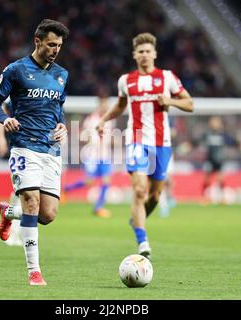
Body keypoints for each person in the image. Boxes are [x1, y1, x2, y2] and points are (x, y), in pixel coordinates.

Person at [96, 33, 194, 260]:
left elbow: (190, 103)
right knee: (140, 190)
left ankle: (136, 220)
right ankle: (142, 241)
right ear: (134, 55)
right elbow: (120, 105)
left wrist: (170, 101)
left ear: (155, 54)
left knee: (155, 195)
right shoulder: (126, 81)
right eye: (140, 51)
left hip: (162, 143)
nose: (144, 55)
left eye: (148, 51)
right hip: (136, 140)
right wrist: (104, 120)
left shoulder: (167, 78)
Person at [0, 19, 69, 286]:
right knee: (31, 202)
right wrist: (4, 119)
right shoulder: (16, 70)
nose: (55, 50)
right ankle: (34, 271)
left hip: (51, 150)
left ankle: (9, 212)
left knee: (47, 215)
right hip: (24, 146)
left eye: (59, 45)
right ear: (37, 41)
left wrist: (62, 126)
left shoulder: (61, 75)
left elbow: (59, 109)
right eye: (51, 44)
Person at [63, 95, 115, 218]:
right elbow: (83, 136)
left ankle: (98, 208)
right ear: (100, 105)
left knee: (106, 180)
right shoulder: (92, 119)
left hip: (104, 155)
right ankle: (66, 189)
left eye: (107, 104)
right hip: (92, 154)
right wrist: (87, 138)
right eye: (104, 104)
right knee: (89, 181)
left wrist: (113, 141)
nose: (106, 107)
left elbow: (109, 136)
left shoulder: (110, 120)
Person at [0, 98, 22, 246]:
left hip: (41, 147)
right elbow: (2, 108)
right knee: (22, 192)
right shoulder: (17, 80)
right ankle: (15, 234)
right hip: (20, 146)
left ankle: (9, 215)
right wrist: (0, 137)